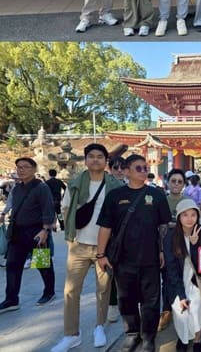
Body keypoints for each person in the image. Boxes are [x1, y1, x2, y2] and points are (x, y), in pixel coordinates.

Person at [96, 154, 172, 352]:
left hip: (151, 258)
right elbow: (105, 227)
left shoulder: (157, 195)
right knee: (126, 299)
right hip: (122, 259)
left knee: (151, 301)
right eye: (138, 168)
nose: (144, 171)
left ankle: (148, 337)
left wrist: (162, 250)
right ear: (127, 171)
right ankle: (132, 334)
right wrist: (100, 255)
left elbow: (163, 226)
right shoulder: (115, 196)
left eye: (145, 167)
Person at [51, 143, 123, 352]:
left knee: (103, 290)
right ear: (85, 159)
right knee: (70, 291)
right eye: (90, 156)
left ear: (105, 160)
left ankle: (99, 326)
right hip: (79, 245)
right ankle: (71, 334)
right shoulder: (75, 183)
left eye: (100, 156)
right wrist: (69, 238)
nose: (95, 160)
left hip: (104, 247)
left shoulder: (115, 186)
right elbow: (66, 209)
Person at [0, 158, 56, 314]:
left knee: (42, 264)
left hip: (36, 232)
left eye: (26, 167)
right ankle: (11, 299)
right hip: (17, 232)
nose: (21, 170)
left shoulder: (41, 187)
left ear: (34, 169)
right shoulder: (17, 188)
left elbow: (48, 209)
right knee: (12, 266)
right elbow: (12, 206)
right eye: (19, 167)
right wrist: (4, 214)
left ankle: (49, 292)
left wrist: (45, 230)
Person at [162, 199, 201, 352]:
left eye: (193, 215)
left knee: (195, 310)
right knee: (180, 312)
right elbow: (170, 268)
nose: (189, 219)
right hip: (176, 281)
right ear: (178, 217)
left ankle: (197, 340)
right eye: (185, 215)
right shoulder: (170, 236)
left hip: (196, 280)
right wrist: (181, 295)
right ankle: (183, 339)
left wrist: (195, 244)